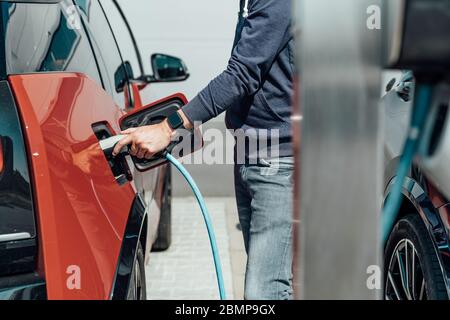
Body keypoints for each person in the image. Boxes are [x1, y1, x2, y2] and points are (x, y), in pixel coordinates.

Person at [113, 0, 294, 300]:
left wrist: (169, 126)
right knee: (272, 283)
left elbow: (242, 74)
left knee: (266, 292)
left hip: (278, 162)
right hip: (253, 155)